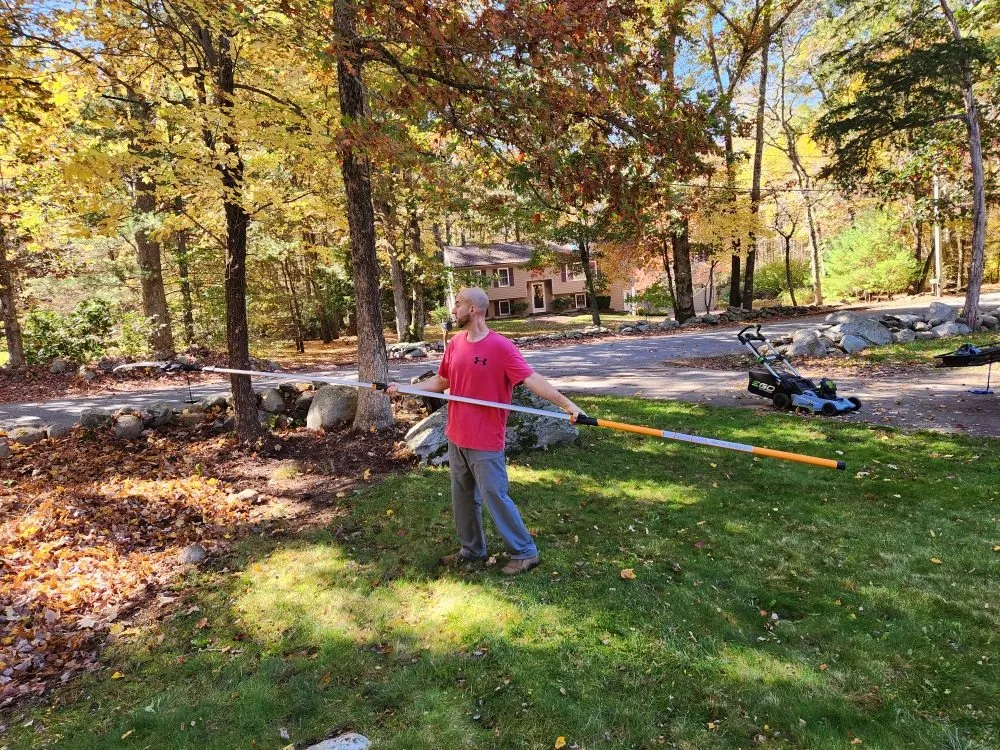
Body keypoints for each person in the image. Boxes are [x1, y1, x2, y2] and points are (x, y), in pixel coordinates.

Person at [387, 287, 582, 575]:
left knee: (494, 494)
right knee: (463, 496)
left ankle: (525, 552)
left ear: (474, 309)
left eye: (458, 305)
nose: (454, 311)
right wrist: (404, 388)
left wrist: (569, 406)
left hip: (486, 438)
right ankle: (472, 551)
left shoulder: (501, 347)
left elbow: (532, 380)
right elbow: (441, 381)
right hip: (457, 435)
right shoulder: (455, 344)